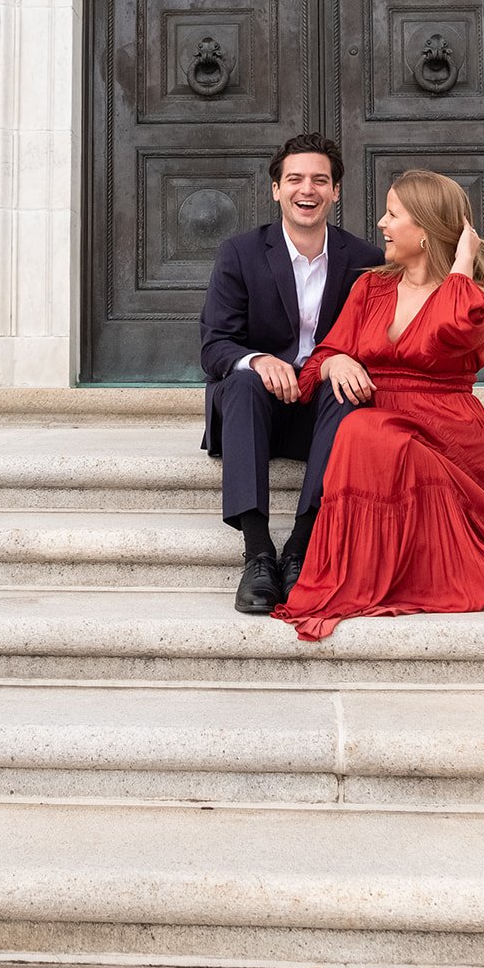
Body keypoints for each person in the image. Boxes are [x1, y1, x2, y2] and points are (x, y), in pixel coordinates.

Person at [273, 169, 484, 640]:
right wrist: (336, 365)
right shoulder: (371, 288)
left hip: (447, 435)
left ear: (426, 232)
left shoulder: (471, 299)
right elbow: (319, 362)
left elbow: (450, 330)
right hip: (383, 438)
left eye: (393, 215)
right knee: (364, 434)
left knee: (363, 434)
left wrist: (459, 267)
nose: (380, 224)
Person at [200, 132, 384, 614]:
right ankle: (258, 553)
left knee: (349, 390)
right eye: (296, 179)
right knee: (239, 379)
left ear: (336, 191)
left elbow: (379, 339)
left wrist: (344, 357)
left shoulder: (365, 260)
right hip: (254, 409)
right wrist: (258, 360)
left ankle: (301, 547)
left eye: (321, 180)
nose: (309, 190)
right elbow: (214, 346)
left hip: (319, 414)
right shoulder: (239, 253)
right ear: (276, 189)